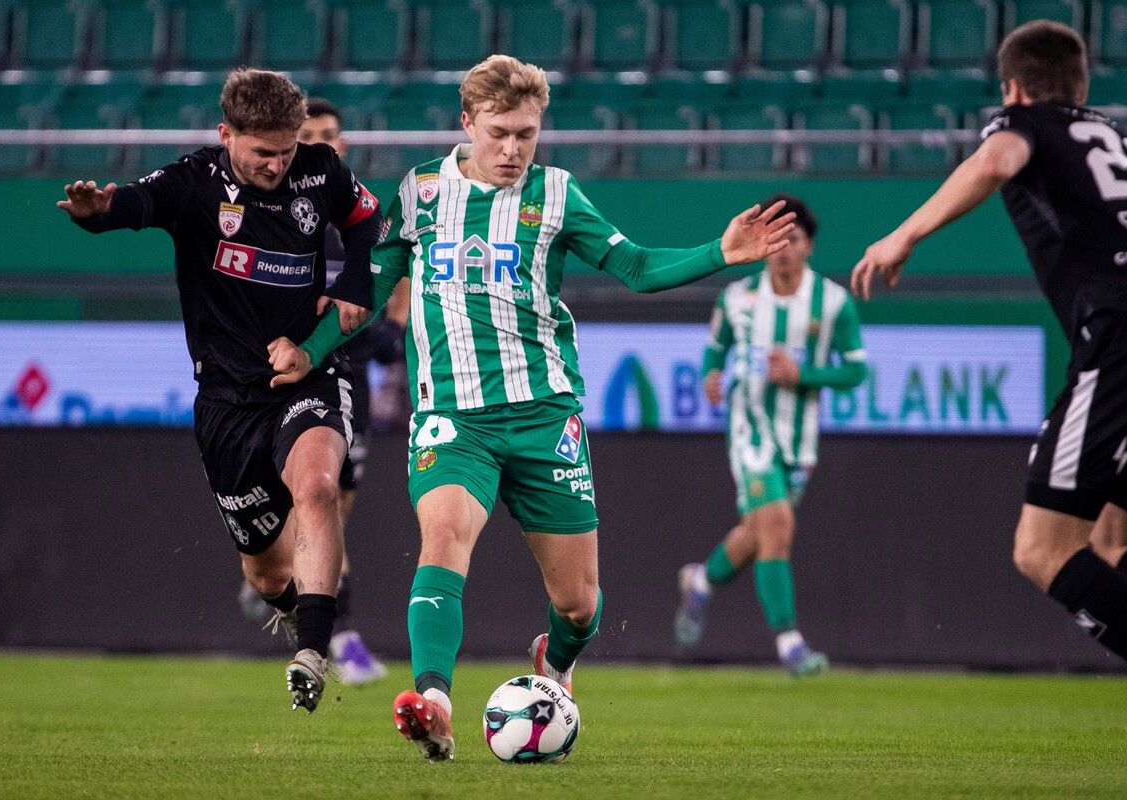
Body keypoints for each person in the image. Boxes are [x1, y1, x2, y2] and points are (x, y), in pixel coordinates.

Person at [277, 54, 796, 760]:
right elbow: (369, 295)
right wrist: (308, 350)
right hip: (454, 417)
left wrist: (720, 252)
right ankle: (433, 702)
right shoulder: (422, 191)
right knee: (444, 536)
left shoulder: (557, 195)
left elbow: (636, 267)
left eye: (527, 133)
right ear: (468, 124)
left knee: (581, 605)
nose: (514, 149)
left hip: (546, 416)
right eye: (500, 133)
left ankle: (555, 662)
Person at [57, 68, 383, 710]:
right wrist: (97, 214)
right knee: (265, 572)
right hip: (227, 405)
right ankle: (301, 615)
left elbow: (365, 220)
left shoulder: (319, 170)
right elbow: (129, 206)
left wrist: (356, 284)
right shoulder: (193, 183)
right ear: (225, 134)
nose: (277, 164)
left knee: (317, 486)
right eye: (263, 152)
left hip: (307, 372)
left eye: (286, 150)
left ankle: (317, 651)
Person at [852, 21, 1127, 661]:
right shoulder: (1111, 137)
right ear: (1080, 84)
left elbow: (996, 161)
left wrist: (905, 235)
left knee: (1044, 549)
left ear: (1013, 89)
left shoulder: (1021, 125)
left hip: (1115, 341)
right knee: (1109, 542)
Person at [237, 98, 408, 685]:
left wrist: (390, 327)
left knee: (329, 509)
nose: (320, 142)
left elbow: (397, 291)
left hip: (345, 379)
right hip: (277, 377)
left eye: (329, 134)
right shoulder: (275, 217)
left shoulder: (360, 223)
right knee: (310, 508)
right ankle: (337, 632)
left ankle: (292, 586)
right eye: (308, 134)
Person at [675, 195, 867, 676]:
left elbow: (856, 373)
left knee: (758, 535)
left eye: (793, 239)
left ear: (809, 246)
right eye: (776, 238)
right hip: (750, 427)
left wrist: (803, 375)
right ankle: (790, 645)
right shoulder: (738, 297)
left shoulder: (834, 302)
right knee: (777, 527)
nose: (782, 249)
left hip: (798, 441)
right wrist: (710, 381)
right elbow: (714, 352)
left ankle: (701, 581)